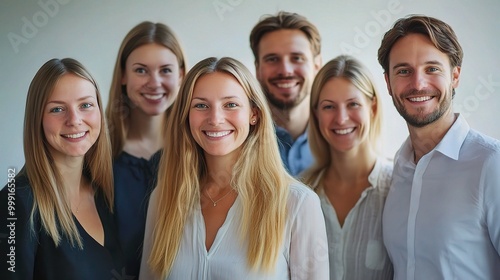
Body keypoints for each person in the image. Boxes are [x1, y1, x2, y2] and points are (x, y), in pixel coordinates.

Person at [139, 57, 329, 280]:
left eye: (230, 104)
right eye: (201, 105)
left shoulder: (298, 204)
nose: (215, 119)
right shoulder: (163, 198)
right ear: (186, 116)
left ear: (254, 114)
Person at [378, 15, 500, 279]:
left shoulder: (492, 164)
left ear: (455, 76)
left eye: (432, 69)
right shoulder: (397, 170)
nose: (418, 84)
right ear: (388, 83)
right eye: (403, 71)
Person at [0, 58, 122, 279]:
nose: (74, 120)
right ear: (38, 119)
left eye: (85, 105)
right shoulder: (16, 202)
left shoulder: (109, 193)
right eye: (57, 109)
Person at [105, 21, 186, 278]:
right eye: (141, 70)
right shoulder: (96, 154)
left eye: (165, 70)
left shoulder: (199, 152)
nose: (154, 82)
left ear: (181, 75)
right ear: (123, 75)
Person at [302, 55, 393, 280]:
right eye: (329, 107)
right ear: (316, 114)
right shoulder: (299, 194)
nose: (341, 119)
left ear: (372, 108)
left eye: (353, 104)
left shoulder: (400, 188)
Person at [249, 11, 322, 177]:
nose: (285, 70)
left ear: (317, 65)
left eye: (297, 58)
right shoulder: (237, 138)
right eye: (272, 59)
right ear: (257, 68)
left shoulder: (341, 131)